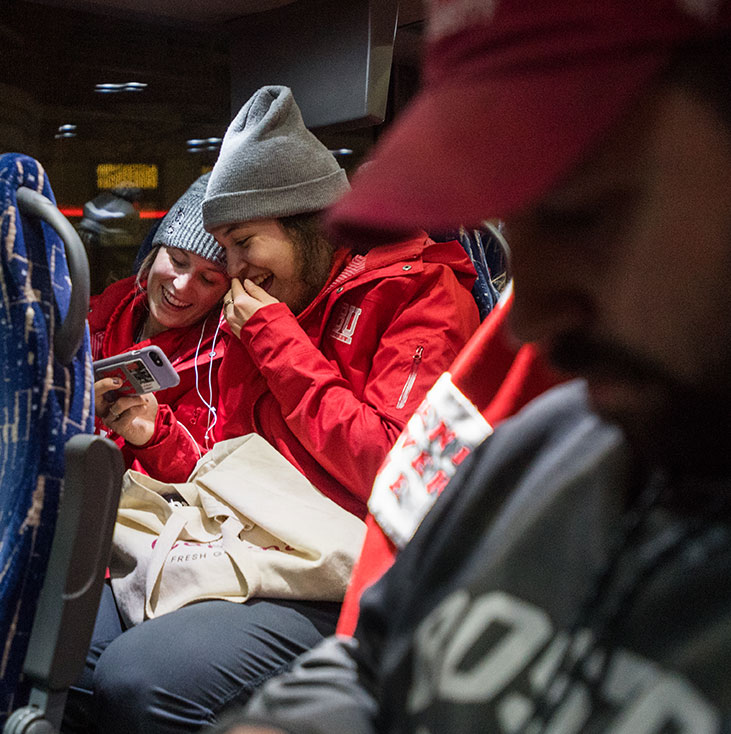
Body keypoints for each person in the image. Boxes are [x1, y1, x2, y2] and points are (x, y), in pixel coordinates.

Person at [210, 1, 731, 732]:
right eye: (514, 228)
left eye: (584, 215)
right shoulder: (539, 444)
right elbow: (374, 652)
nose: (526, 321)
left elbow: (372, 457)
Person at [71, 85, 481, 732]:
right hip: (243, 540)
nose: (233, 270)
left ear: (306, 223)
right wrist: (156, 437)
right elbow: (232, 463)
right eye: (222, 250)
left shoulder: (418, 296)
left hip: (340, 568)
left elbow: (395, 474)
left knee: (136, 677)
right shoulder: (272, 303)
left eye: (241, 244)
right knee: (65, 637)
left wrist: (275, 342)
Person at [90, 172, 230, 468]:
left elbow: (210, 481)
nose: (181, 285)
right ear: (154, 254)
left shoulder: (218, 368)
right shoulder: (93, 319)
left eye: (207, 279)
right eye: (177, 261)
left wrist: (155, 437)